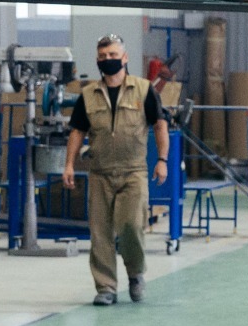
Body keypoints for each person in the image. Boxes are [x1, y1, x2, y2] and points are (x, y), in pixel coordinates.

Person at [62, 34, 170, 306]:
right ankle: (106, 287)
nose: (108, 60)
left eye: (113, 55)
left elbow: (159, 124)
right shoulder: (88, 94)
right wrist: (69, 164)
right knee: (100, 233)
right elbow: (77, 131)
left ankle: (135, 274)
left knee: (131, 226)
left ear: (125, 58)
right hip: (100, 173)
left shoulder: (144, 90)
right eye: (103, 57)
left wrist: (163, 160)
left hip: (133, 171)